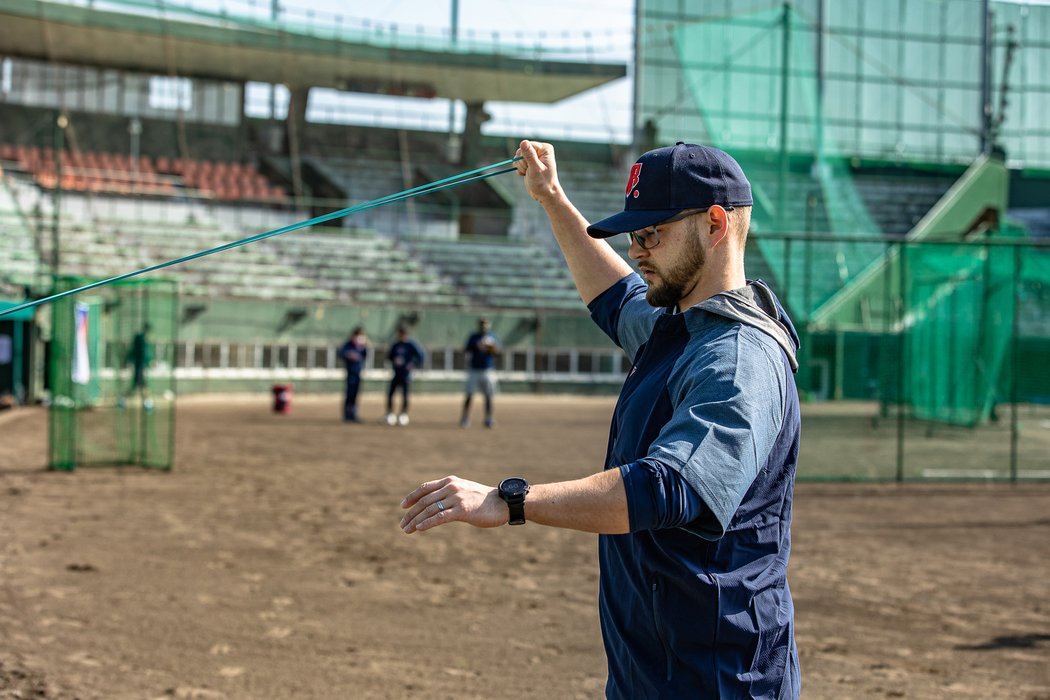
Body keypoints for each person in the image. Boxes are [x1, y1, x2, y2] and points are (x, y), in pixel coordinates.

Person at [399, 140, 802, 699]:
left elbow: (670, 488)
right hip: (653, 670)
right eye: (633, 236)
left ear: (714, 224)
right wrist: (551, 197)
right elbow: (616, 298)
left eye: (650, 233)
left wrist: (511, 500)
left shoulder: (737, 359)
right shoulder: (680, 324)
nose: (637, 249)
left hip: (720, 678)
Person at [459, 317, 500, 428]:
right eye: (482, 324)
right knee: (469, 394)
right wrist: (476, 345)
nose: (484, 326)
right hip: (474, 369)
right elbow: (466, 349)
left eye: (486, 324)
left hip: (487, 370)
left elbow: (497, 352)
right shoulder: (474, 337)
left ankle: (488, 418)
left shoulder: (492, 336)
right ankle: (465, 418)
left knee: (488, 396)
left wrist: (491, 348)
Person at [385, 326, 425, 426]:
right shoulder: (396, 345)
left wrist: (412, 364)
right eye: (400, 334)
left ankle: (403, 414)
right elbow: (389, 356)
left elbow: (421, 356)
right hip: (396, 373)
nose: (401, 336)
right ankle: (390, 414)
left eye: (403, 334)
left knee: (405, 395)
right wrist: (394, 360)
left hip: (406, 375)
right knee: (390, 394)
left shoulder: (411, 345)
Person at [339, 327, 369, 423]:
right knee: (349, 394)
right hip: (351, 373)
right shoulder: (349, 345)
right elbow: (341, 353)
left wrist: (365, 345)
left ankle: (354, 414)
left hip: (358, 373)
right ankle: (347, 415)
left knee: (355, 394)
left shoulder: (361, 346)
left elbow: (365, 356)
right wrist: (348, 355)